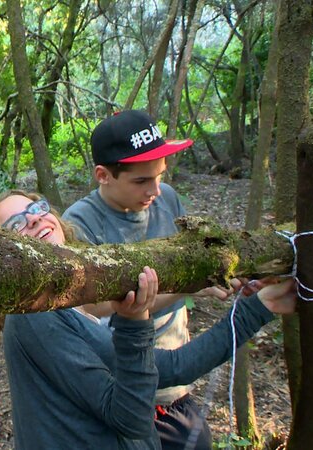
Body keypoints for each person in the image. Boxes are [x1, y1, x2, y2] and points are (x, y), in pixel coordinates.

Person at [0, 190, 297, 449]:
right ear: (4, 256)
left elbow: (173, 368)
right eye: (15, 224)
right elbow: (129, 419)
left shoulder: (70, 306)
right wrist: (134, 324)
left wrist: (258, 307)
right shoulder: (32, 318)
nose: (35, 218)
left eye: (36, 207)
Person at [63, 109, 229, 448]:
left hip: (175, 385)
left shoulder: (167, 199)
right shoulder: (79, 224)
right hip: (123, 389)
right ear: (103, 175)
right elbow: (92, 308)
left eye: (160, 176)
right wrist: (191, 284)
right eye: (140, 181)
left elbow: (192, 259)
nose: (154, 190)